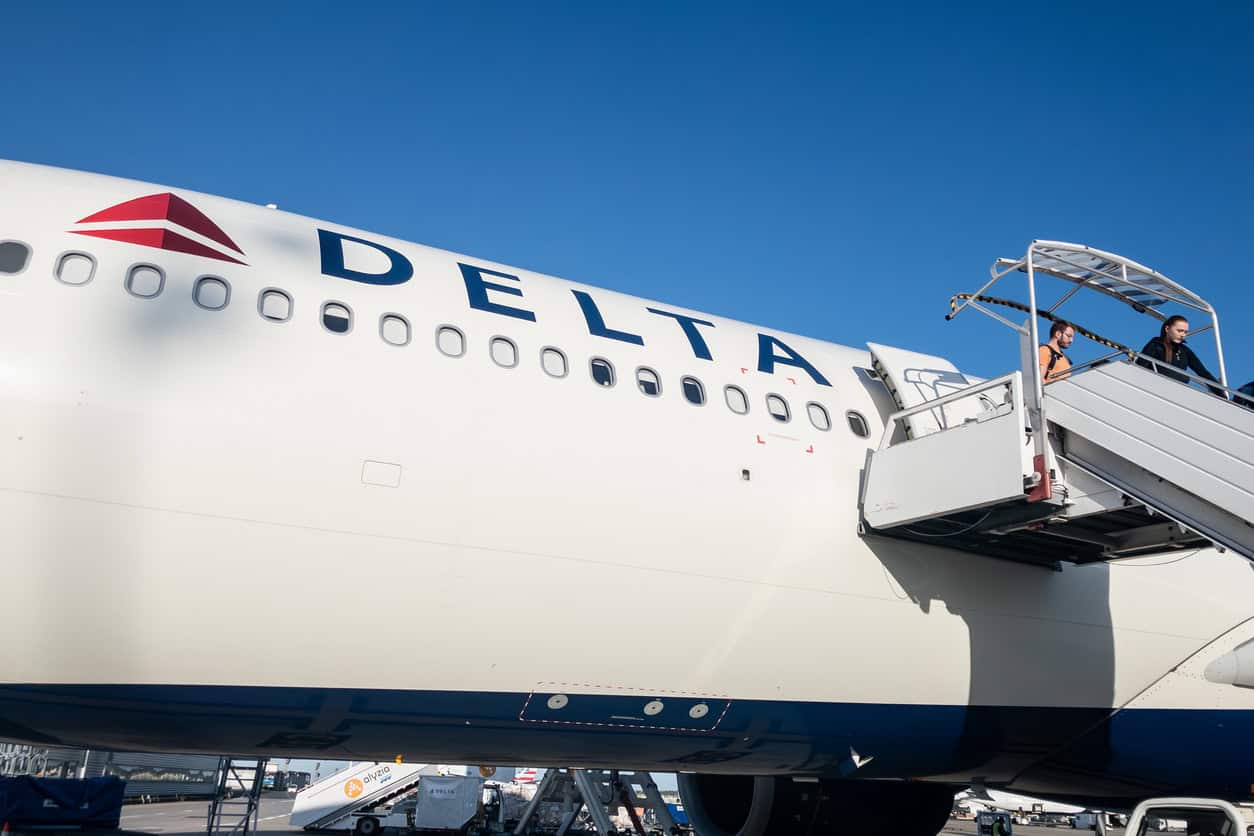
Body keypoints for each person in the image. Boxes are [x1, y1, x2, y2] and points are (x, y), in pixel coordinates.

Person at [1138, 314, 1222, 389]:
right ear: (1167, 329)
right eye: (1179, 331)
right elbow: (1140, 365)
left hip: (1179, 390)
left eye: (1185, 332)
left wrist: (1221, 393)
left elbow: (1202, 372)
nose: (1183, 335)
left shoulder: (1185, 351)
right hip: (1155, 386)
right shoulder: (1156, 345)